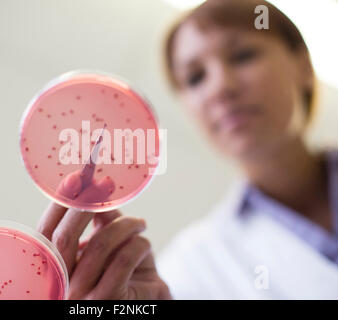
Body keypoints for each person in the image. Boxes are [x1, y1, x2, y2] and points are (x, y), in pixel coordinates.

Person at [37, 0, 338, 299]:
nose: (220, 87)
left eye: (243, 55)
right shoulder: (189, 268)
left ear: (304, 66)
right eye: (196, 78)